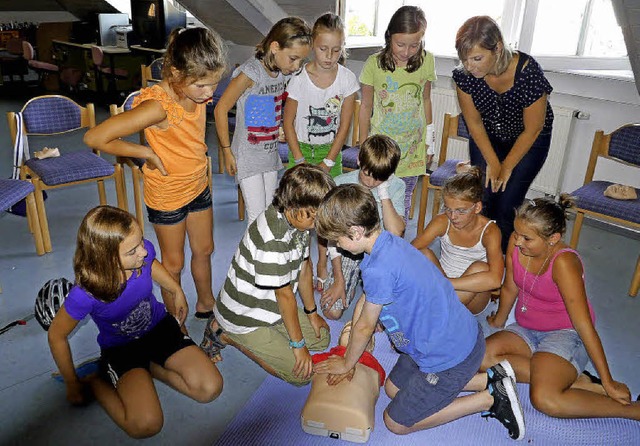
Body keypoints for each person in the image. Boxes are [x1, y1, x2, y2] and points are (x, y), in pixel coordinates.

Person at [313, 184, 526, 440]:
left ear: (356, 232)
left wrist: (348, 361)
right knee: (392, 389)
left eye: (338, 239)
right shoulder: (387, 242)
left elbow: (364, 326)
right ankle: (490, 379)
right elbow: (368, 300)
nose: (336, 244)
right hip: (442, 339)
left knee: (395, 422)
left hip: (449, 355)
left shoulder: (379, 269)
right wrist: (353, 353)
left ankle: (489, 399)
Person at [84, 27, 226, 319]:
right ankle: (176, 323)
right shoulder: (157, 107)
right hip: (168, 195)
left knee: (205, 249)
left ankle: (206, 303)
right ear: (175, 74)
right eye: (202, 86)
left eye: (213, 84)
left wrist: (200, 90)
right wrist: (145, 153)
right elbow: (95, 138)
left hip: (198, 186)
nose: (209, 94)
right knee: (173, 264)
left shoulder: (196, 90)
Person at [48, 206, 222, 439]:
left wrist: (175, 289)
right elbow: (56, 336)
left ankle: (151, 366)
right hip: (122, 349)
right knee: (146, 426)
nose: (143, 251)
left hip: (159, 329)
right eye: (133, 250)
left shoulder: (142, 253)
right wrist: (71, 382)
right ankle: (96, 381)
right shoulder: (86, 293)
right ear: (106, 258)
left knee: (210, 389)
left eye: (141, 241)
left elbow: (151, 263)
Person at [475, 196, 640, 421]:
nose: (517, 242)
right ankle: (573, 381)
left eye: (527, 238)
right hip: (526, 328)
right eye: (517, 233)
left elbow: (583, 324)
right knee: (480, 358)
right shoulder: (517, 242)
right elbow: (510, 287)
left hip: (565, 334)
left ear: (553, 238)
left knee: (545, 400)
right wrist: (498, 322)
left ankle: (632, 411)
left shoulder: (564, 263)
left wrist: (609, 381)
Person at [200, 165, 334, 386]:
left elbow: (304, 267)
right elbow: (285, 297)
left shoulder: (298, 222)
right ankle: (227, 334)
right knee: (302, 375)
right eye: (315, 217)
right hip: (244, 317)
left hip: (271, 307)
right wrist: (298, 346)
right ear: (293, 206)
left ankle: (272, 335)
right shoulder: (273, 240)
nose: (318, 223)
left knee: (322, 339)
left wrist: (312, 313)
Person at [453, 16, 554, 252]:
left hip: (529, 139)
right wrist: (492, 161)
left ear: (497, 48)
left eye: (477, 58)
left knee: (508, 204)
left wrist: (505, 166)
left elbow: (533, 128)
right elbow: (474, 123)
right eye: (464, 59)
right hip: (487, 135)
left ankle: (502, 265)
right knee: (483, 198)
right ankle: (478, 254)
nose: (470, 66)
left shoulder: (529, 73)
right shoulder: (464, 76)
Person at [282, 12, 360, 292]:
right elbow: (287, 122)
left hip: (331, 150)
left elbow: (344, 127)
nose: (329, 56)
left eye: (336, 50)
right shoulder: (299, 78)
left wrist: (329, 160)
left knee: (329, 211)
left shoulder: (347, 79)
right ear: (312, 45)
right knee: (301, 209)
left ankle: (324, 261)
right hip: (301, 149)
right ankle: (299, 263)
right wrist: (300, 161)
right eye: (323, 49)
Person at [214, 17, 312, 225]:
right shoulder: (251, 73)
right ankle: (253, 257)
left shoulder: (280, 74)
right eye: (293, 58)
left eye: (301, 61)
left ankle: (264, 255)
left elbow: (263, 111)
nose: (296, 66)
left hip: (268, 154)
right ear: (275, 47)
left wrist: (276, 129)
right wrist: (226, 151)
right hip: (247, 157)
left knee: (271, 212)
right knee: (257, 217)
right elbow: (220, 109)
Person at [359, 5, 437, 220]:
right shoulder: (374, 64)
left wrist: (430, 141)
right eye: (400, 44)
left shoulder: (427, 60)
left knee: (402, 201)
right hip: (379, 149)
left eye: (414, 45)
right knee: (373, 200)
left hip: (412, 147)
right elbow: (365, 106)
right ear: (389, 37)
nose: (406, 52)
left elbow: (426, 99)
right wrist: (362, 143)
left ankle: (394, 244)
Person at [321, 135, 406, 320]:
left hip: (381, 254)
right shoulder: (340, 182)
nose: (370, 183)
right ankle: (352, 281)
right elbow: (331, 235)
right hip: (348, 250)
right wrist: (338, 279)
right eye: (367, 174)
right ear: (359, 159)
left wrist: (383, 192)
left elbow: (396, 233)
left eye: (379, 179)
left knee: (387, 314)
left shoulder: (397, 186)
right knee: (332, 312)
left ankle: (368, 287)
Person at [411, 167, 503, 316]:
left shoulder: (489, 231)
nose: (453, 216)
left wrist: (446, 283)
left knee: (481, 267)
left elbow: (495, 280)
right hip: (442, 282)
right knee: (421, 252)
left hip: (472, 294)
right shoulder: (442, 221)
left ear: (477, 207)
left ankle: (435, 309)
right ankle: (437, 308)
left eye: (461, 211)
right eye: (448, 209)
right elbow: (409, 251)